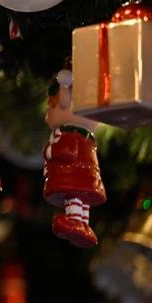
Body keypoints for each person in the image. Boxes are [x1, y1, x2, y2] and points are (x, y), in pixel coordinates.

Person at [43, 68, 106, 247]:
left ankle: (75, 222)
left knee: (75, 199)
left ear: (64, 102)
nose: (47, 117)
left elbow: (66, 151)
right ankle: (84, 225)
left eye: (50, 109)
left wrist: (48, 151)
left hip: (73, 177)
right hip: (86, 177)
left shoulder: (69, 134)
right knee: (82, 200)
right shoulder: (87, 140)